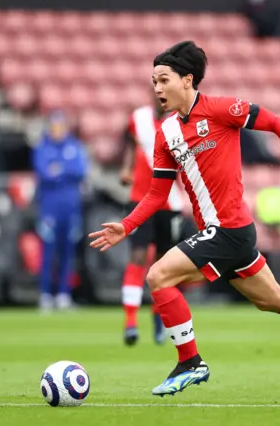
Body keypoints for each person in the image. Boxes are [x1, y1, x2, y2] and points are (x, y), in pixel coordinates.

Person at [89, 40, 280, 396]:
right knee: (273, 299)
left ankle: (190, 362)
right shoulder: (165, 133)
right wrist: (127, 225)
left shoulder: (223, 110)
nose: (157, 88)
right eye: (154, 82)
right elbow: (157, 194)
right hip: (222, 233)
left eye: (164, 80)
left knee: (158, 276)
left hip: (229, 229)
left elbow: (275, 122)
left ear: (187, 80)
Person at [119, 94, 184, 346]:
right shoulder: (138, 119)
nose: (161, 95)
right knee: (137, 256)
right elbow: (130, 145)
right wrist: (126, 168)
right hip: (139, 200)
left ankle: (159, 317)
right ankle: (130, 323)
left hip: (169, 203)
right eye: (156, 88)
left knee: (163, 265)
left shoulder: (178, 123)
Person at [33, 111, 89, 311]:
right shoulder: (42, 147)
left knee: (68, 252)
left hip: (71, 208)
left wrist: (59, 170)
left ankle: (64, 294)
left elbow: (80, 170)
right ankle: (46, 294)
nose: (57, 131)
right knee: (48, 252)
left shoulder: (74, 146)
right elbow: (44, 173)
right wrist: (64, 171)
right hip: (49, 208)